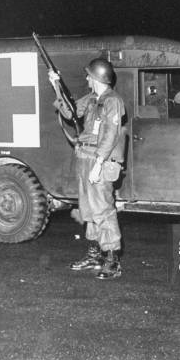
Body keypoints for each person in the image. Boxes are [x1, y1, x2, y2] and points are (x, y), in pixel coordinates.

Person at [48, 58, 126, 280]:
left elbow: (110, 134)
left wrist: (99, 164)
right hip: (84, 157)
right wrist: (56, 84)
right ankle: (94, 255)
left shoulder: (113, 101)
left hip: (100, 161)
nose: (86, 79)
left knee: (103, 210)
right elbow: (69, 112)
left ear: (97, 78)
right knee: (87, 210)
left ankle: (112, 260)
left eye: (88, 76)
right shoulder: (92, 99)